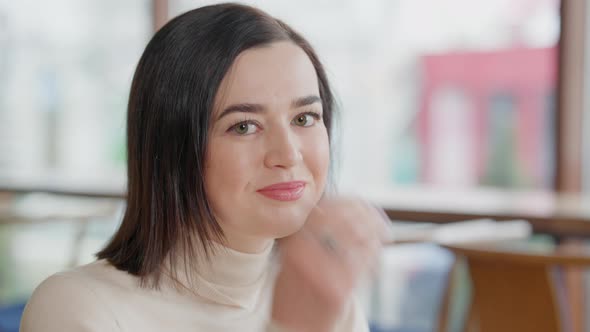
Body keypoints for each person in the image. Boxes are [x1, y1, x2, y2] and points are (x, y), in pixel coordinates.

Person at [20, 3, 385, 331]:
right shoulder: (76, 308)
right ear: (173, 146)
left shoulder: (319, 292)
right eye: (244, 126)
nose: (288, 155)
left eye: (305, 118)